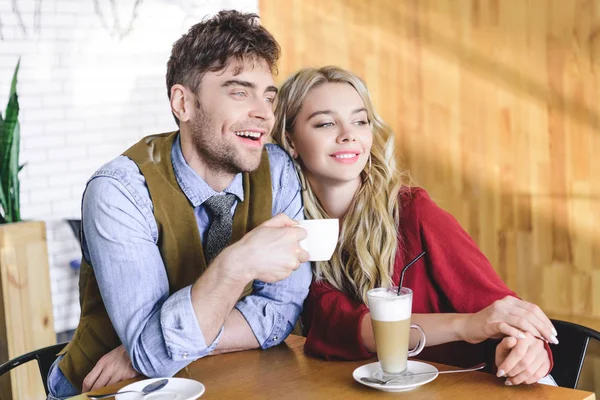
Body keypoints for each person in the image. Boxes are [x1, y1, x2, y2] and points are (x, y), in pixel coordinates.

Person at [46, 11, 311, 399]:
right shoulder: (119, 191)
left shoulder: (279, 171)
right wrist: (236, 265)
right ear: (183, 103)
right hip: (104, 390)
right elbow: (152, 355)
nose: (264, 113)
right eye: (240, 92)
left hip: (218, 380)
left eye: (268, 95)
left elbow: (281, 312)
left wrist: (156, 348)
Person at [271, 65, 557, 386]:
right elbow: (338, 326)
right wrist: (467, 325)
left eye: (360, 120)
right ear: (290, 140)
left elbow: (498, 306)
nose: (348, 134)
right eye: (325, 123)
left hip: (470, 388)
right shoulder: (291, 230)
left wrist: (528, 348)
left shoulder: (412, 211)